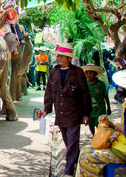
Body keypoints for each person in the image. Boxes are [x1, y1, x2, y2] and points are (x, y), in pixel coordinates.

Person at [44, 43, 91, 176]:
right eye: (58, 56)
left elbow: (85, 93)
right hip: (60, 113)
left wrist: (86, 113)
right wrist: (46, 109)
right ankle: (76, 161)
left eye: (61, 56)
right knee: (68, 142)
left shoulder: (77, 72)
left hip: (75, 113)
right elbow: (48, 92)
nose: (58, 58)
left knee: (72, 142)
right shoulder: (54, 71)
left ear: (69, 58)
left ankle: (68, 171)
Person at [75, 70, 126, 177]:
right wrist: (110, 123)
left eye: (122, 87)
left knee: (86, 158)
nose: (119, 89)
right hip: (120, 144)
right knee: (85, 150)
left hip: (123, 150)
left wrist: (116, 126)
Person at [82, 64, 111, 136]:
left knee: (100, 125)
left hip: (100, 110)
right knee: (90, 124)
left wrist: (109, 108)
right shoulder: (85, 84)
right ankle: (94, 136)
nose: (88, 75)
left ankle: (100, 137)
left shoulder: (101, 84)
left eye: (90, 73)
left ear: (95, 74)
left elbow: (106, 97)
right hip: (90, 110)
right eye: (87, 73)